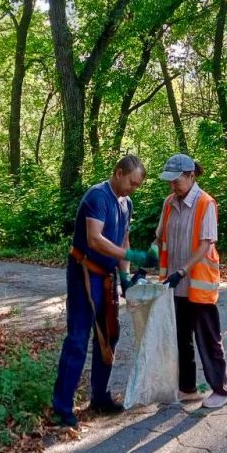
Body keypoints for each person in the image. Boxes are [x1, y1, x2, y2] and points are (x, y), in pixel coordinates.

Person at [52, 155, 154, 428]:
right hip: (84, 275)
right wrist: (133, 254)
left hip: (107, 278)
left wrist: (125, 275)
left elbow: (123, 237)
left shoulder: (126, 202)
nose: (133, 188)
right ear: (118, 173)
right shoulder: (97, 197)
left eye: (137, 185)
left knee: (108, 335)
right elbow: (95, 240)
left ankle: (99, 397)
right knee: (78, 337)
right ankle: (61, 408)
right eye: (131, 182)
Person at [154, 153, 227, 409]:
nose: (172, 186)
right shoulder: (169, 203)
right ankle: (187, 388)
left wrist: (183, 271)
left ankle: (221, 390)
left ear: (191, 176)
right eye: (170, 182)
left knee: (207, 339)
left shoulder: (205, 203)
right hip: (174, 286)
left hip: (197, 285)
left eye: (176, 181)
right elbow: (160, 239)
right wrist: (145, 262)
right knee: (181, 339)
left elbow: (205, 245)